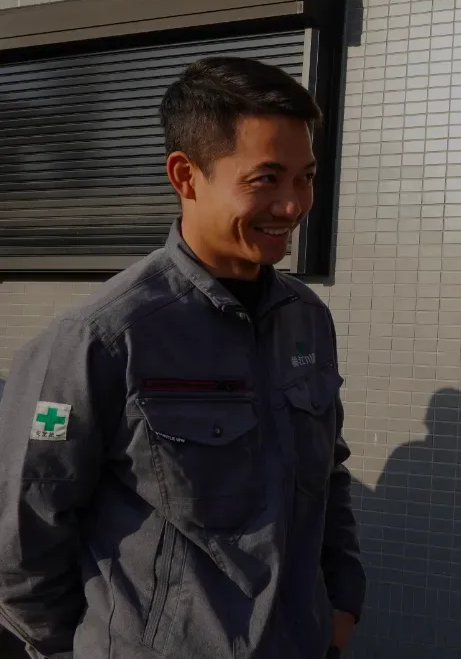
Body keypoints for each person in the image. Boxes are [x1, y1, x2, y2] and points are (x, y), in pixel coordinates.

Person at [0, 57, 365, 659]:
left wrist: (342, 601)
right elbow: (23, 526)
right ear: (186, 175)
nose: (293, 205)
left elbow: (329, 474)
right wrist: (74, 647)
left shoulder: (306, 318)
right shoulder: (103, 336)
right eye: (265, 178)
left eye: (305, 178)